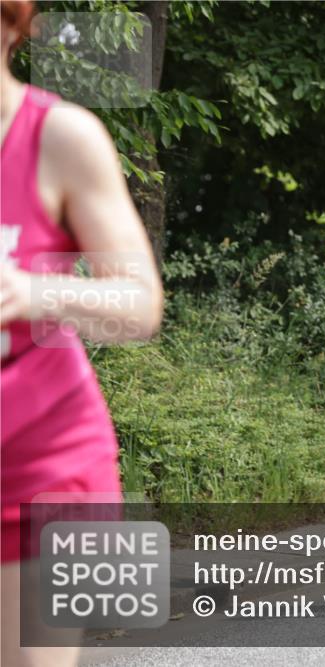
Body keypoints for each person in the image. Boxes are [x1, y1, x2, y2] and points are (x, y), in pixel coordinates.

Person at [1, 1, 163, 663]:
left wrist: (33, 290)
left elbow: (140, 305)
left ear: (10, 24)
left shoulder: (61, 136)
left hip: (46, 468)